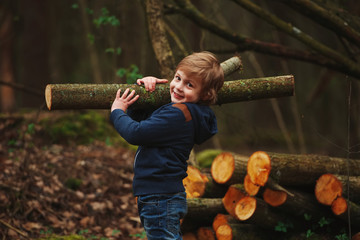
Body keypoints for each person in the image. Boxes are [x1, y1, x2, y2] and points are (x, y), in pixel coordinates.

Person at [110, 51, 224, 240]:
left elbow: (135, 133)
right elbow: (147, 123)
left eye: (189, 84)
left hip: (159, 196)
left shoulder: (178, 115)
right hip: (161, 194)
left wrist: (117, 111)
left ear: (204, 94)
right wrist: (145, 91)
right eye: (178, 78)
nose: (178, 87)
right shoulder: (183, 112)